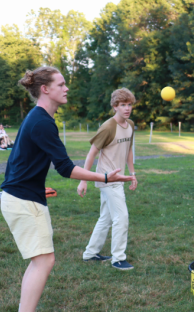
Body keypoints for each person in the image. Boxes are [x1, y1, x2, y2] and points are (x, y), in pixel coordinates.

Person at [0, 66, 135, 312]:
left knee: (41, 261)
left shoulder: (39, 118)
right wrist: (104, 177)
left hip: (23, 199)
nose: (67, 88)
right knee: (44, 261)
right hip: (23, 201)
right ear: (45, 89)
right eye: (61, 84)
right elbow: (65, 167)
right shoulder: (41, 121)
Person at [78, 88, 138, 270]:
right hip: (107, 178)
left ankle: (90, 253)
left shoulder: (131, 125)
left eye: (129, 105)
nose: (127, 108)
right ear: (115, 107)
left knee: (106, 218)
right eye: (122, 105)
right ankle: (118, 258)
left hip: (119, 178)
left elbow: (128, 150)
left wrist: (132, 174)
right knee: (122, 216)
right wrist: (83, 180)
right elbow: (91, 154)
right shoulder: (108, 127)